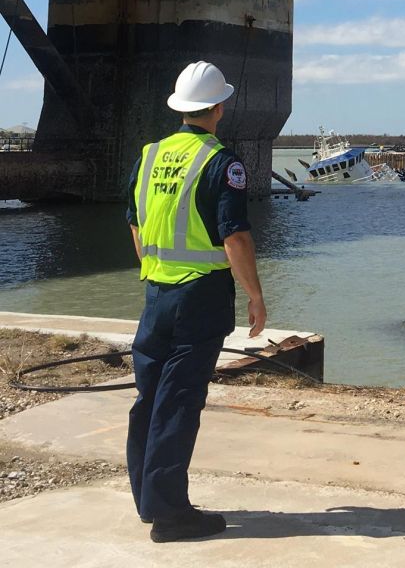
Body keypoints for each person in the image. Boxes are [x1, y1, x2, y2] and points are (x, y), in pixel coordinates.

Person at [125, 61, 267, 543]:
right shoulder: (221, 162)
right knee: (180, 400)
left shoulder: (150, 155)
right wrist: (255, 296)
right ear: (219, 108)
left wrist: (155, 267)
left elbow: (135, 224)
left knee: (150, 397)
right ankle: (170, 515)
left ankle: (148, 499)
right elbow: (236, 238)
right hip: (200, 296)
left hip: (156, 294)